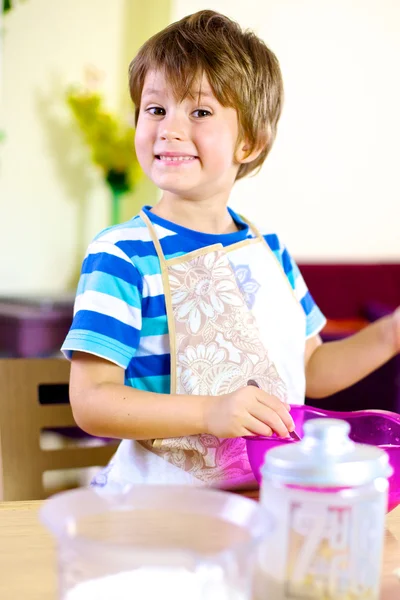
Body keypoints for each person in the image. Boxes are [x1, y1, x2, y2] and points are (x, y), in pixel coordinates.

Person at [62, 10, 400, 492]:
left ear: (251, 142)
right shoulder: (121, 254)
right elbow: (92, 402)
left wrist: (390, 334)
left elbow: (312, 371)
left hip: (259, 500)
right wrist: (209, 411)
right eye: (156, 109)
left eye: (199, 112)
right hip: (155, 507)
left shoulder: (270, 250)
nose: (169, 128)